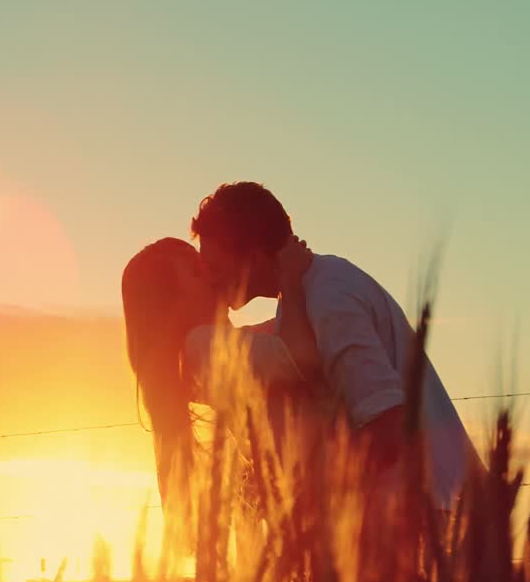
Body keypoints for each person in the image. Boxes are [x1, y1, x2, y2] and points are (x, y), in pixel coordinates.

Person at [189, 181, 482, 513]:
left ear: (253, 258)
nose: (209, 279)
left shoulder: (329, 297)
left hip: (434, 519)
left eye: (215, 267)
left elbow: (387, 426)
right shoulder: (299, 299)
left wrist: (323, 500)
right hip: (416, 517)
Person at [120, 237, 319, 546]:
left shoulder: (200, 351)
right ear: (171, 303)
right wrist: (289, 281)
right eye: (199, 274)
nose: (214, 279)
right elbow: (299, 352)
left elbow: (276, 334)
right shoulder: (202, 349)